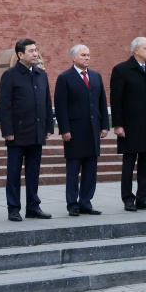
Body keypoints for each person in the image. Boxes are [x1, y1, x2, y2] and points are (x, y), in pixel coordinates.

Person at [0, 38, 54, 221]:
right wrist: (7, 130)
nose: (35, 54)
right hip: (17, 132)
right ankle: (13, 208)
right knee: (14, 172)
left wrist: (47, 126)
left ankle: (33, 206)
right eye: (31, 51)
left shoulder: (40, 74)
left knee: (33, 171)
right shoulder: (10, 75)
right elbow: (5, 105)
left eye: (36, 50)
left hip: (37, 131)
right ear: (20, 55)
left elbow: (46, 101)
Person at [54, 44, 109, 216]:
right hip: (75, 131)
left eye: (88, 55)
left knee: (91, 169)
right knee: (73, 169)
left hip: (92, 130)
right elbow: (61, 106)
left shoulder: (95, 76)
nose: (87, 58)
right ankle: (72, 204)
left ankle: (86, 202)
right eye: (83, 55)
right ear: (73, 58)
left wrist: (104, 125)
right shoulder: (65, 78)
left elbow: (102, 102)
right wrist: (64, 129)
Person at [110, 37, 146, 212]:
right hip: (130, 126)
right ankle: (128, 198)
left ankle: (143, 197)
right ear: (135, 50)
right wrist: (118, 124)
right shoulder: (121, 70)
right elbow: (116, 99)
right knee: (129, 163)